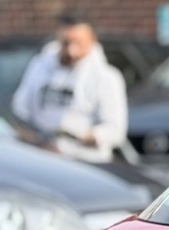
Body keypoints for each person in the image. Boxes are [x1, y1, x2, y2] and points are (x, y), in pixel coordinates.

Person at [10, 14, 128, 164]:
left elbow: (116, 131)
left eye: (79, 43)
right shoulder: (40, 66)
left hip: (85, 162)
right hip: (41, 158)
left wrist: (87, 137)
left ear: (92, 40)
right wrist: (28, 133)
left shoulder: (107, 77)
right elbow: (20, 106)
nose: (72, 51)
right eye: (66, 43)